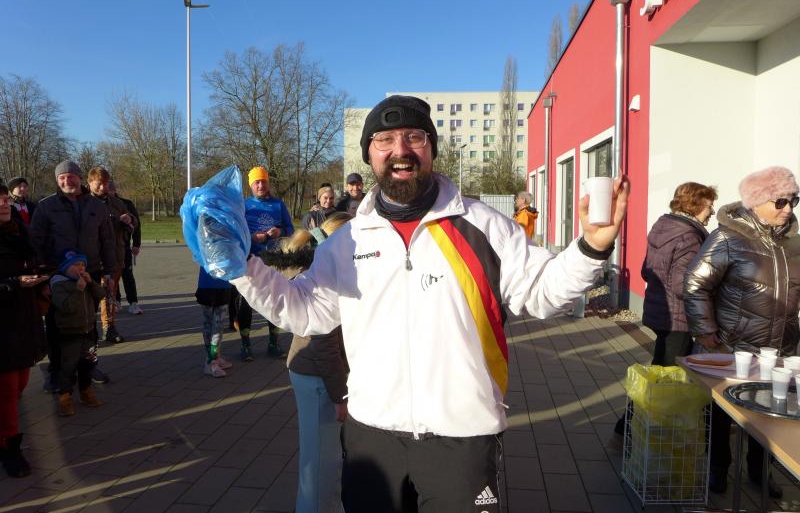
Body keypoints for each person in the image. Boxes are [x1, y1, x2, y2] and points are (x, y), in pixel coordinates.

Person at [229, 95, 629, 512]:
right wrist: (239, 266)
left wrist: (591, 249)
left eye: (414, 137)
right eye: (384, 140)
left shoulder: (483, 226)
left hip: (462, 438)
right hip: (372, 435)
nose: (400, 150)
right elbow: (304, 311)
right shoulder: (347, 241)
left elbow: (543, 292)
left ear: (432, 148)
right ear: (369, 154)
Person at [685, 166, 800, 498]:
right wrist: (705, 330)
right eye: (780, 201)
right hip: (733, 347)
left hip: (779, 350)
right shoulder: (727, 238)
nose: (788, 209)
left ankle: (759, 471)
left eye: (793, 200)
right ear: (756, 201)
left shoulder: (794, 245)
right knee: (723, 414)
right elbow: (695, 285)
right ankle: (718, 468)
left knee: (771, 413)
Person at [609, 181, 717, 449]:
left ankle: (634, 431)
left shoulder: (664, 227)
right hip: (678, 318)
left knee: (662, 371)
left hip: (660, 311)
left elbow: (647, 271)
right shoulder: (690, 237)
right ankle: (627, 431)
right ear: (695, 205)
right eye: (708, 205)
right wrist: (713, 284)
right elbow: (684, 285)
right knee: (663, 378)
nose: (711, 211)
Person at [261, 212, 352, 513]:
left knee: (322, 457)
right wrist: (340, 396)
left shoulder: (316, 268)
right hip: (318, 376)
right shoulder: (323, 278)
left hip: (312, 372)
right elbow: (324, 343)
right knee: (321, 463)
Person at [29, 160, 117, 390]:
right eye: (62, 177)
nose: (67, 180)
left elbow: (107, 241)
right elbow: (36, 243)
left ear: (79, 178)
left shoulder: (96, 206)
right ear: (57, 180)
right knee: (56, 326)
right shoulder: (46, 206)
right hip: (58, 276)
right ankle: (56, 372)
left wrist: (109, 272)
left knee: (88, 324)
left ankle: (88, 367)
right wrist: (43, 277)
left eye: (71, 176)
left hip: (90, 273)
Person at [0, 183, 48, 477]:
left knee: (19, 383)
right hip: (2, 325)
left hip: (24, 319)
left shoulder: (19, 232)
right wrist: (13, 284)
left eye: (5, 199)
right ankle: (9, 447)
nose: (3, 204)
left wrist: (41, 278)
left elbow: (33, 261)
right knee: (7, 390)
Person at [234, 166, 294, 361]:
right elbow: (236, 233)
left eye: (264, 181)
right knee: (246, 303)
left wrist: (280, 232)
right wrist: (253, 237)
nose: (261, 185)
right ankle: (245, 345)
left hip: (273, 261)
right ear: (251, 185)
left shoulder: (278, 205)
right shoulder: (244, 205)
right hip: (250, 261)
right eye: (257, 182)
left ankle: (273, 343)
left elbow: (291, 229)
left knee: (273, 301)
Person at [49, 250, 106, 417]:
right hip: (70, 332)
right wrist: (78, 289)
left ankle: (85, 391)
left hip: (88, 330)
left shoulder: (85, 281)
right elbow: (66, 307)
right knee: (68, 366)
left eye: (83, 265)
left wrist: (91, 283)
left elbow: (101, 295)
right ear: (66, 267)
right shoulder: (59, 284)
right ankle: (65, 397)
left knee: (87, 363)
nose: (81, 268)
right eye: (76, 265)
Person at [87, 167, 135, 343]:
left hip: (115, 255)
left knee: (109, 293)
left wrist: (129, 219)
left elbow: (133, 220)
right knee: (90, 296)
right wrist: (114, 220)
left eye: (106, 184)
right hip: (92, 257)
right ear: (90, 183)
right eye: (99, 184)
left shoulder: (116, 202)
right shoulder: (84, 203)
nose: (103, 188)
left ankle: (109, 328)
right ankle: (89, 330)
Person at [108, 182, 143, 315]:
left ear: (114, 190)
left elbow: (137, 225)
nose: (107, 192)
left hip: (124, 245)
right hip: (107, 247)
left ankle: (133, 303)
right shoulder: (100, 204)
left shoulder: (126, 204)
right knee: (112, 275)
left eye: (110, 190)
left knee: (127, 274)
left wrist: (136, 244)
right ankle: (116, 301)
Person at [195, 267, 234, 378]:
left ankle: (215, 356)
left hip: (224, 284)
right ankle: (211, 362)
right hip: (207, 284)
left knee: (219, 325)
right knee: (210, 324)